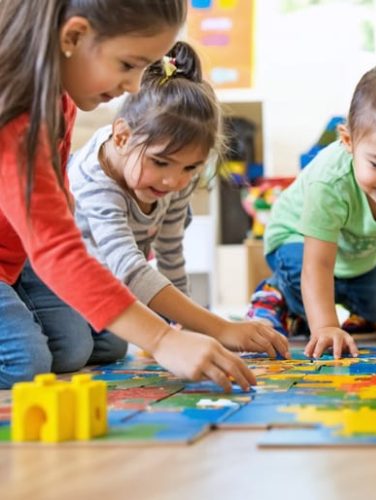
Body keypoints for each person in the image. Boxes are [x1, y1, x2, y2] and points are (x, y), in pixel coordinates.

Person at [0, 0, 259, 391]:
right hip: (30, 255)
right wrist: (164, 339)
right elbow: (56, 249)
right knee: (25, 362)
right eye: (127, 65)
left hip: (19, 259)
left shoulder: (60, 98)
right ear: (73, 36)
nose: (135, 86)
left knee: (75, 348)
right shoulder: (18, 112)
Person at [67, 41, 289, 367]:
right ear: (122, 137)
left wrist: (184, 327)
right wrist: (221, 329)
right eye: (160, 163)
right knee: (71, 347)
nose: (173, 181)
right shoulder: (94, 178)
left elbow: (170, 254)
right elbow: (129, 270)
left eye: (190, 168)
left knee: (111, 348)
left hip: (104, 286)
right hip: (60, 281)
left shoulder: (174, 174)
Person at [250, 63, 376, 359]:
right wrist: (324, 327)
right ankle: (276, 295)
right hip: (298, 244)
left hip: (361, 254)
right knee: (305, 285)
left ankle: (339, 314)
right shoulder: (330, 180)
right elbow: (317, 265)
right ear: (348, 141)